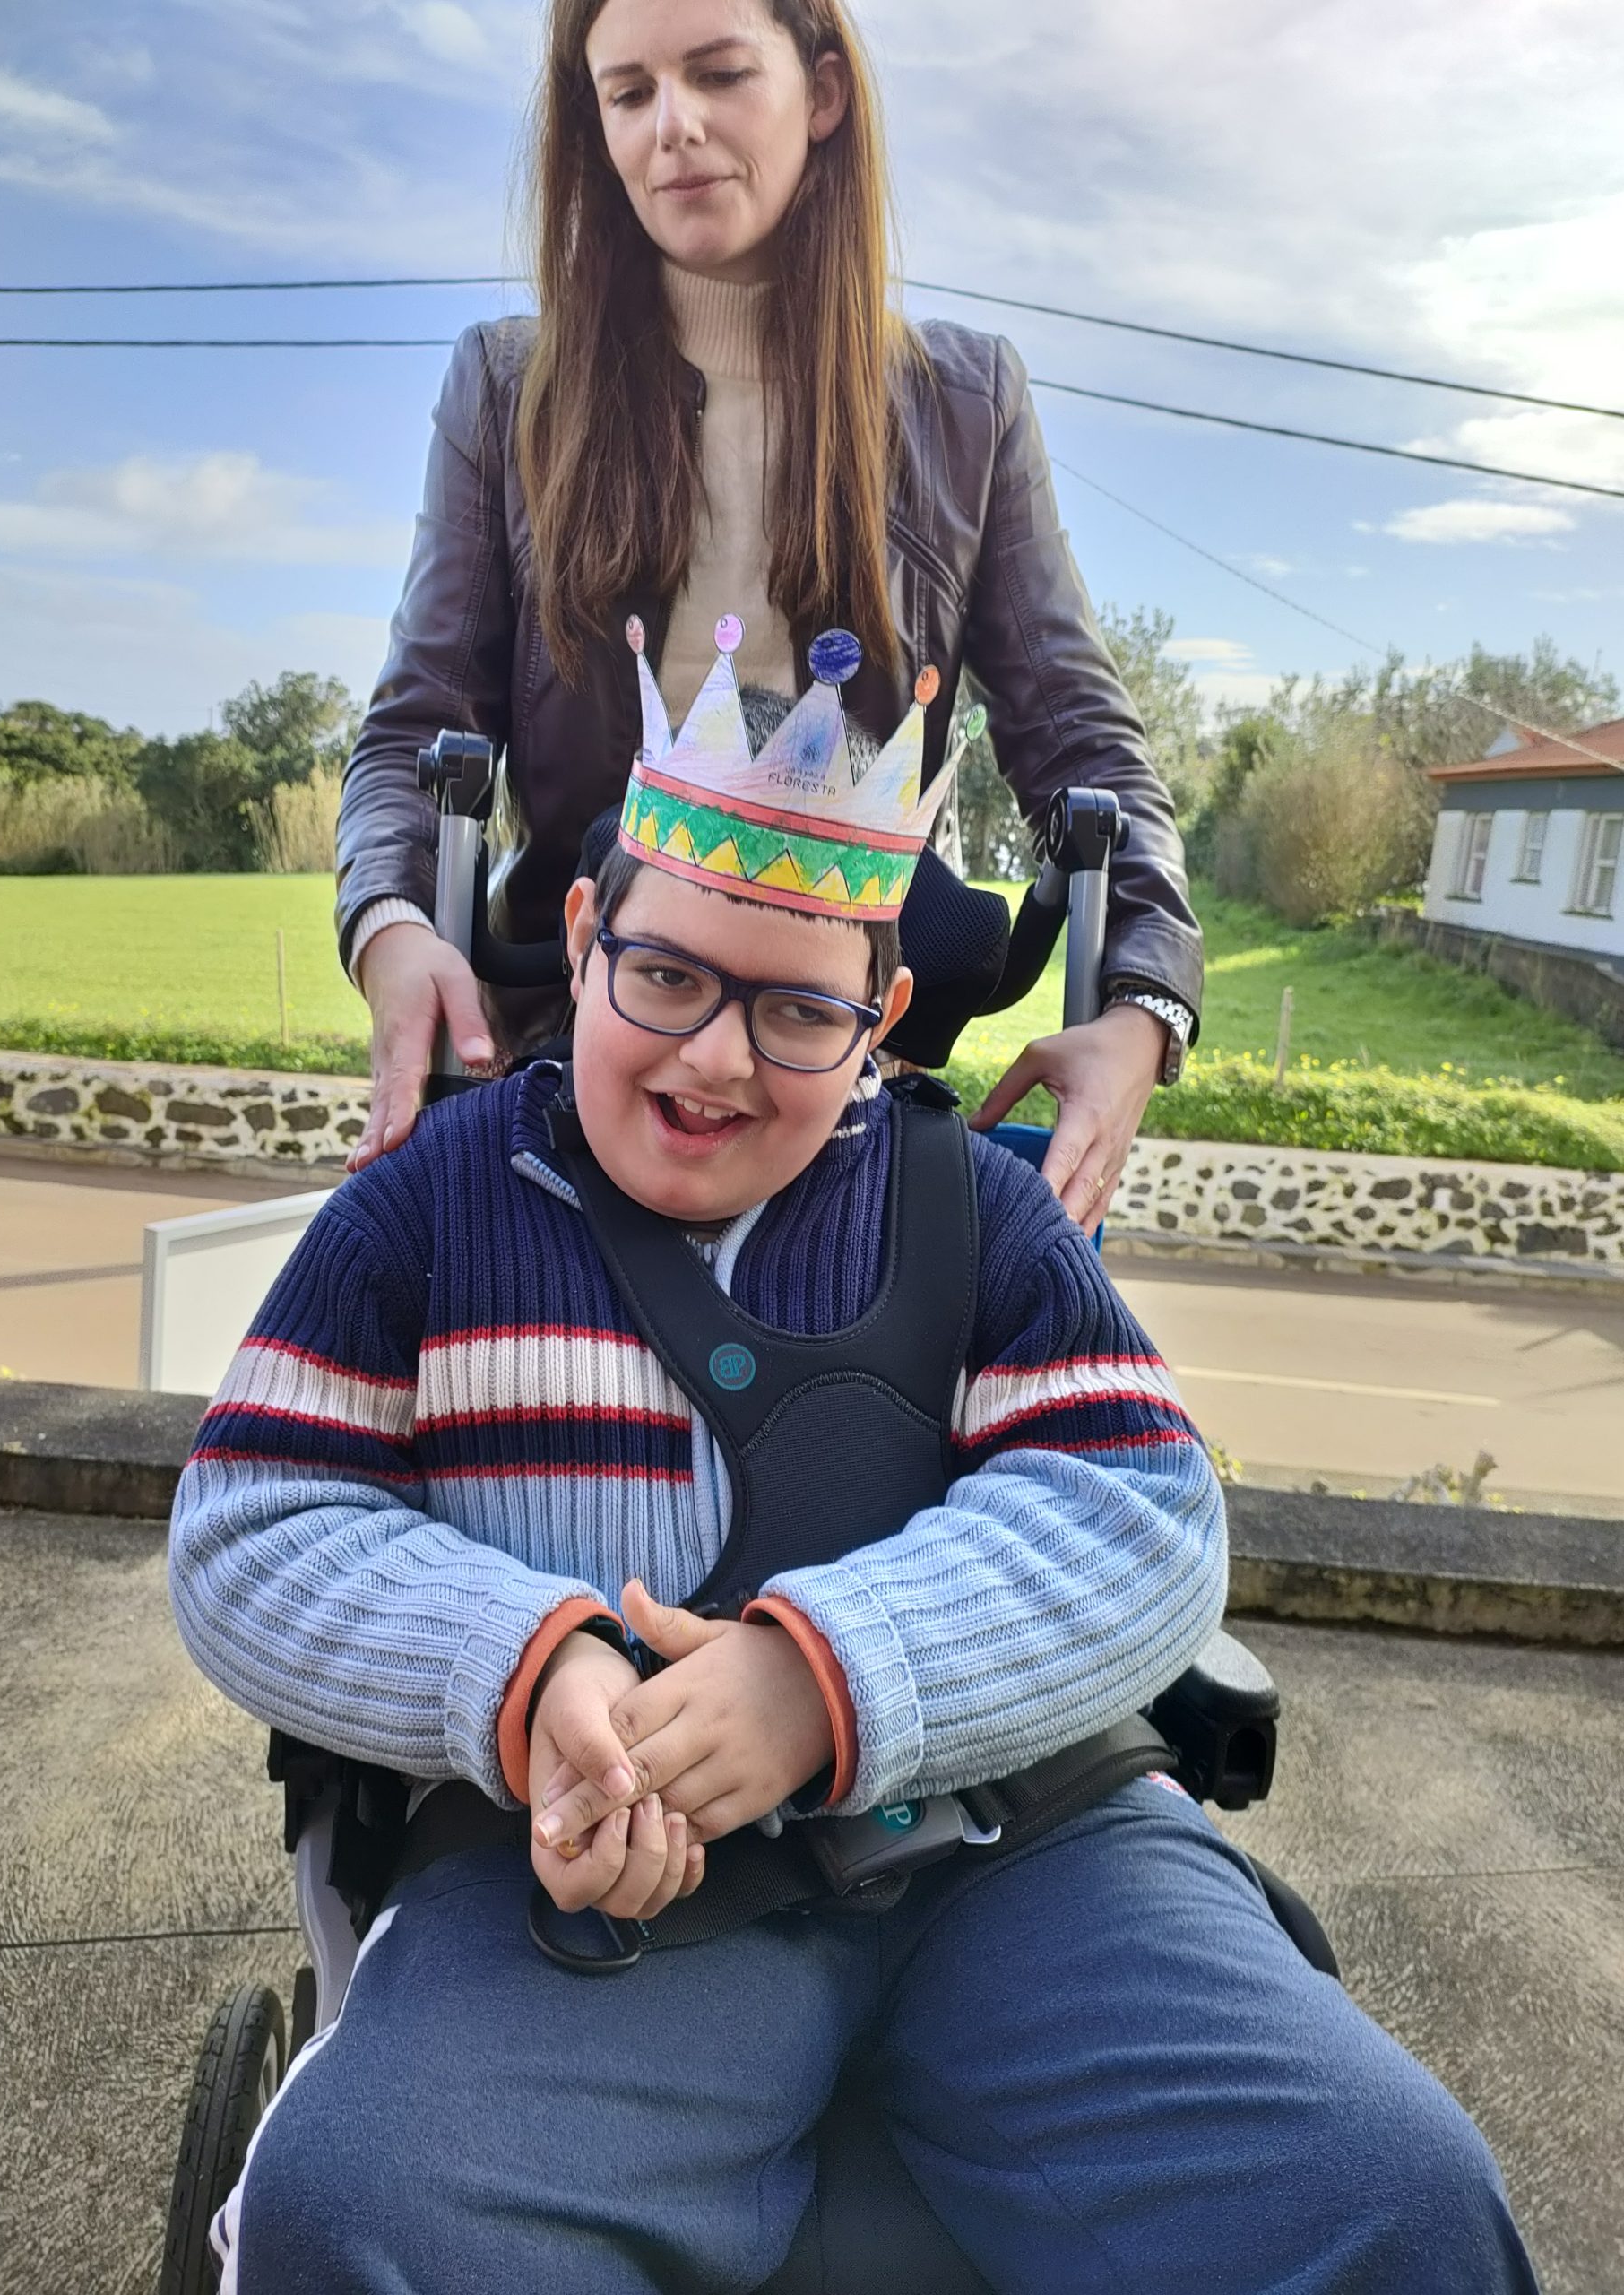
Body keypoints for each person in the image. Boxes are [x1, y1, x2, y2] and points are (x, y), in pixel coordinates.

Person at [169, 619, 1533, 2293]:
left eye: (800, 1012)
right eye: (667, 976)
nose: (715, 1055)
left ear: (882, 1017)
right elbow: (258, 1516)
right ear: (585, 937)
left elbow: (1140, 1507)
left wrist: (829, 1681)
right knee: (362, 2212)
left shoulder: (984, 1214)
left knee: (1392, 2197)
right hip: (602, 1875)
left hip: (1024, 1856)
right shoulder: (427, 1213)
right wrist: (527, 1673)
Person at [335, 0, 1202, 1234]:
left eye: (720, 74)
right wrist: (390, 928)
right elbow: (412, 732)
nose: (673, 127)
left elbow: (1087, 746)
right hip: (565, 1048)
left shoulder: (970, 406)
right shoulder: (505, 386)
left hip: (838, 1068)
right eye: (628, 93)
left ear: (825, 94)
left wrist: (1143, 1009)